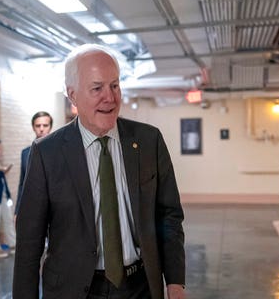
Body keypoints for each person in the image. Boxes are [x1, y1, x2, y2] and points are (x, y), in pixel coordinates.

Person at [13, 44, 186, 299]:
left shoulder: (149, 141)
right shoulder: (46, 153)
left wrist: (175, 282)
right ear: (73, 96)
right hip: (73, 290)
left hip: (140, 287)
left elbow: (168, 216)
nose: (110, 97)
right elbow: (29, 242)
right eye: (97, 88)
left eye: (114, 85)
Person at [15, 111, 53, 215]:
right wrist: (17, 211)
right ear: (33, 127)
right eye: (38, 125)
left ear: (50, 127)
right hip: (32, 208)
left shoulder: (59, 151)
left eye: (45, 125)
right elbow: (22, 183)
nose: (41, 129)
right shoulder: (25, 153)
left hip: (55, 209)